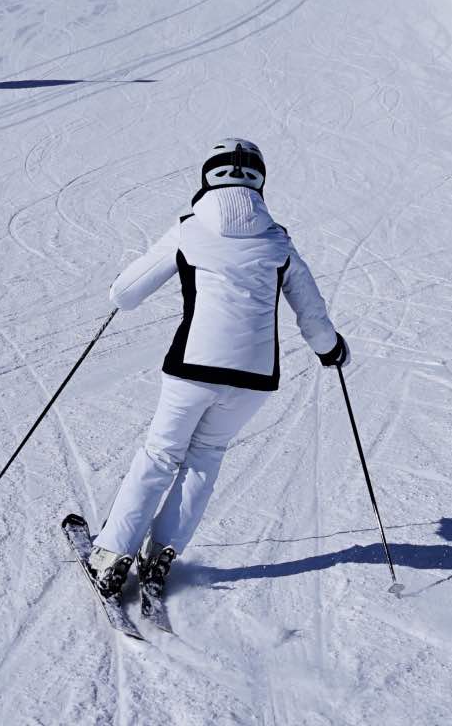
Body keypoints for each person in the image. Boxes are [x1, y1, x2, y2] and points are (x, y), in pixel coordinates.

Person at [85, 139, 347, 599]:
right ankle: (159, 555)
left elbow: (125, 293)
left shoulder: (189, 229)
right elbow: (313, 314)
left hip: (193, 367)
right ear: (260, 183)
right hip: (254, 379)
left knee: (161, 456)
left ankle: (112, 553)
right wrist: (331, 350)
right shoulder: (277, 240)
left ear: (208, 178)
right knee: (205, 457)